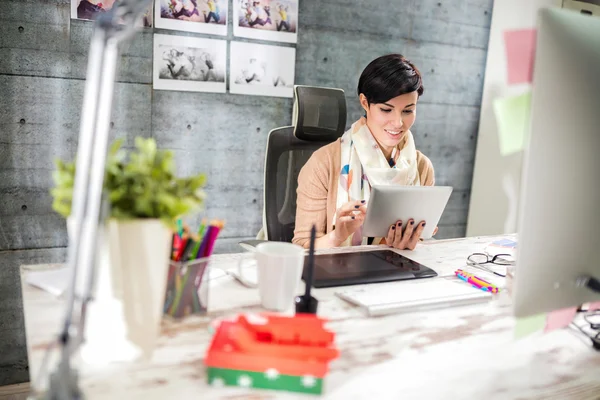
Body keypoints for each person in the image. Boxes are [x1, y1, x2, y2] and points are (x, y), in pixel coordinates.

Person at [292, 54, 435, 251]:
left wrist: (412, 240)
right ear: (365, 103)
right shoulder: (323, 163)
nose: (398, 123)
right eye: (386, 110)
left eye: (408, 111)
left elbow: (418, 245)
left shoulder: (421, 167)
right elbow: (301, 248)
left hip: (395, 274)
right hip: (337, 275)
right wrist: (337, 236)